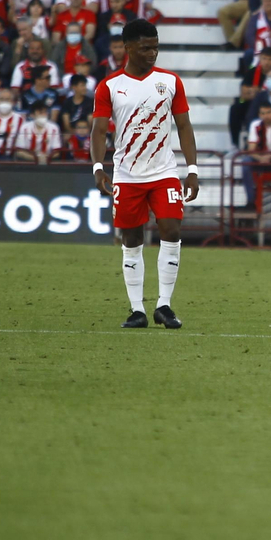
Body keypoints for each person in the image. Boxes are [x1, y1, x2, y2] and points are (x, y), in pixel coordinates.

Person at [90, 18, 199, 329]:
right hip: (127, 173)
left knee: (172, 230)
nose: (153, 53)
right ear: (128, 48)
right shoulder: (110, 86)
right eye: (146, 47)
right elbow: (99, 131)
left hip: (164, 171)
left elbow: (184, 126)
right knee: (132, 238)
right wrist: (99, 167)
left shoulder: (171, 82)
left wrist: (191, 169)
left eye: (156, 47)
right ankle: (137, 309)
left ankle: (164, 305)